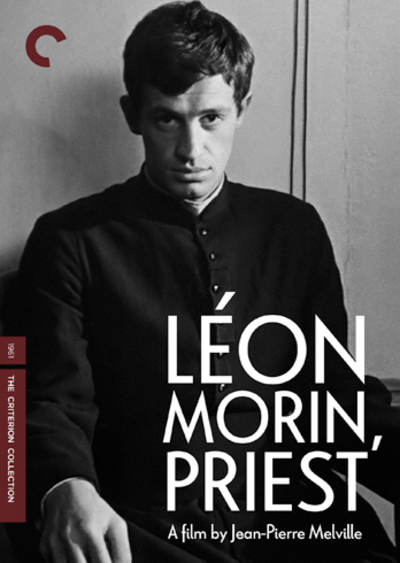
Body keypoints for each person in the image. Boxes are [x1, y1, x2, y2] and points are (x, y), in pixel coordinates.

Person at [9, 2, 400, 562]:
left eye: (211, 118)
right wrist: (64, 486)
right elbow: (45, 399)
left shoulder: (294, 227)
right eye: (167, 120)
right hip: (146, 524)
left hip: (294, 515)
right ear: (133, 115)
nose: (191, 151)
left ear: (242, 108)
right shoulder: (69, 238)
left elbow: (335, 394)